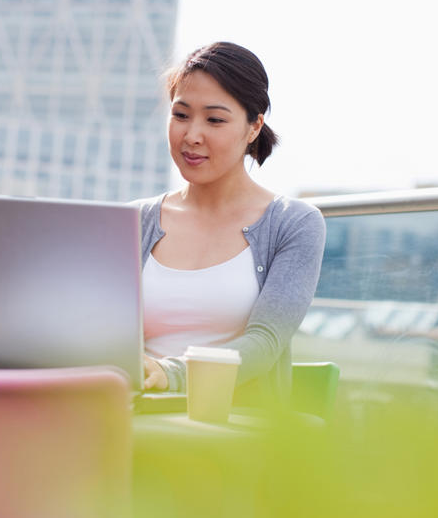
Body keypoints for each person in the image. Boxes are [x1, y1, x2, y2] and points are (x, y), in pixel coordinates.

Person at [134, 41, 326, 405]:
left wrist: (170, 374)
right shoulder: (135, 221)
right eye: (181, 115)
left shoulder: (294, 224)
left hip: (233, 432)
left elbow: (265, 343)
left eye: (215, 120)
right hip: (132, 416)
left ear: (254, 126)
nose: (192, 135)